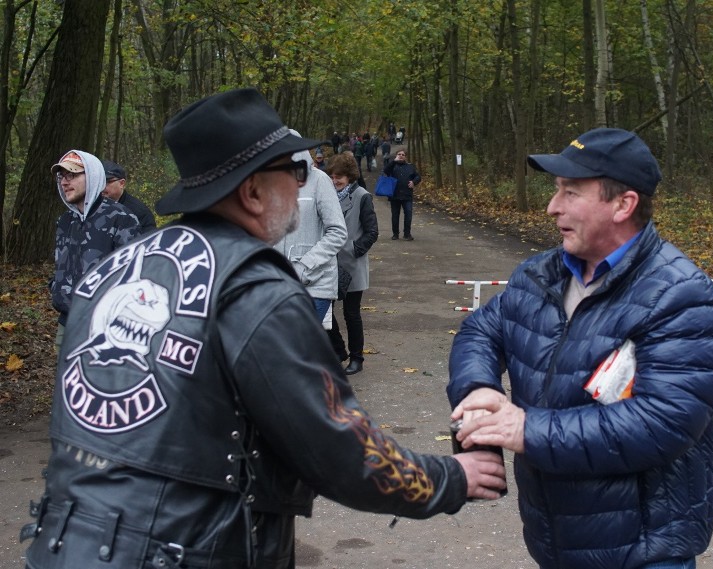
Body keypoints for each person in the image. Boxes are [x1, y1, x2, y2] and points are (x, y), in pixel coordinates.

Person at [22, 88, 506, 569]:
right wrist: (453, 477)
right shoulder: (256, 288)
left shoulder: (115, 270)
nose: (302, 185)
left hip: (64, 546)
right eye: (294, 171)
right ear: (252, 192)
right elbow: (341, 453)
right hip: (189, 553)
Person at [446, 128, 713, 569]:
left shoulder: (681, 296)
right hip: (555, 538)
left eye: (571, 192)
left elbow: (664, 423)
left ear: (624, 204)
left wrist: (526, 430)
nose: (552, 206)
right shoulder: (539, 274)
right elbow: (481, 331)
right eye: (556, 190)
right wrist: (477, 386)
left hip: (643, 550)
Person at [49, 150, 140, 347]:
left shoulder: (121, 218)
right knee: (64, 377)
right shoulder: (64, 221)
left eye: (72, 175)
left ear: (93, 176)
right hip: (67, 324)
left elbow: (133, 276)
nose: (65, 182)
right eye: (62, 176)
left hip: (105, 328)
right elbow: (60, 267)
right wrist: (56, 288)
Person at [274, 132, 347, 326]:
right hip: (278, 286)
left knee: (296, 344)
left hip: (314, 285)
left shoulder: (319, 181)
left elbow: (338, 232)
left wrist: (304, 268)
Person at [326, 152, 379, 375]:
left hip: (352, 265)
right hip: (329, 263)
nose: (335, 180)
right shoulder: (328, 195)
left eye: (339, 176)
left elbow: (372, 232)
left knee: (351, 314)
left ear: (349, 176)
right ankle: (338, 350)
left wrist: (354, 249)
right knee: (325, 311)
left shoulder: (362, 196)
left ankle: (357, 358)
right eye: (332, 176)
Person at [101, 159, 157, 234]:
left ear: (122, 183)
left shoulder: (139, 212)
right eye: (99, 182)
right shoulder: (90, 206)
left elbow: (149, 241)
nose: (101, 187)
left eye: (106, 182)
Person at [383, 148, 420, 241]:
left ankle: (407, 234)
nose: (401, 156)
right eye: (399, 154)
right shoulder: (392, 166)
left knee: (408, 214)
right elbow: (385, 171)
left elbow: (418, 176)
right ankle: (395, 234)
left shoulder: (410, 166)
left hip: (407, 195)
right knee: (395, 215)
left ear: (406, 157)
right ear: (396, 155)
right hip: (394, 195)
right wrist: (394, 161)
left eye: (403, 154)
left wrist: (414, 182)